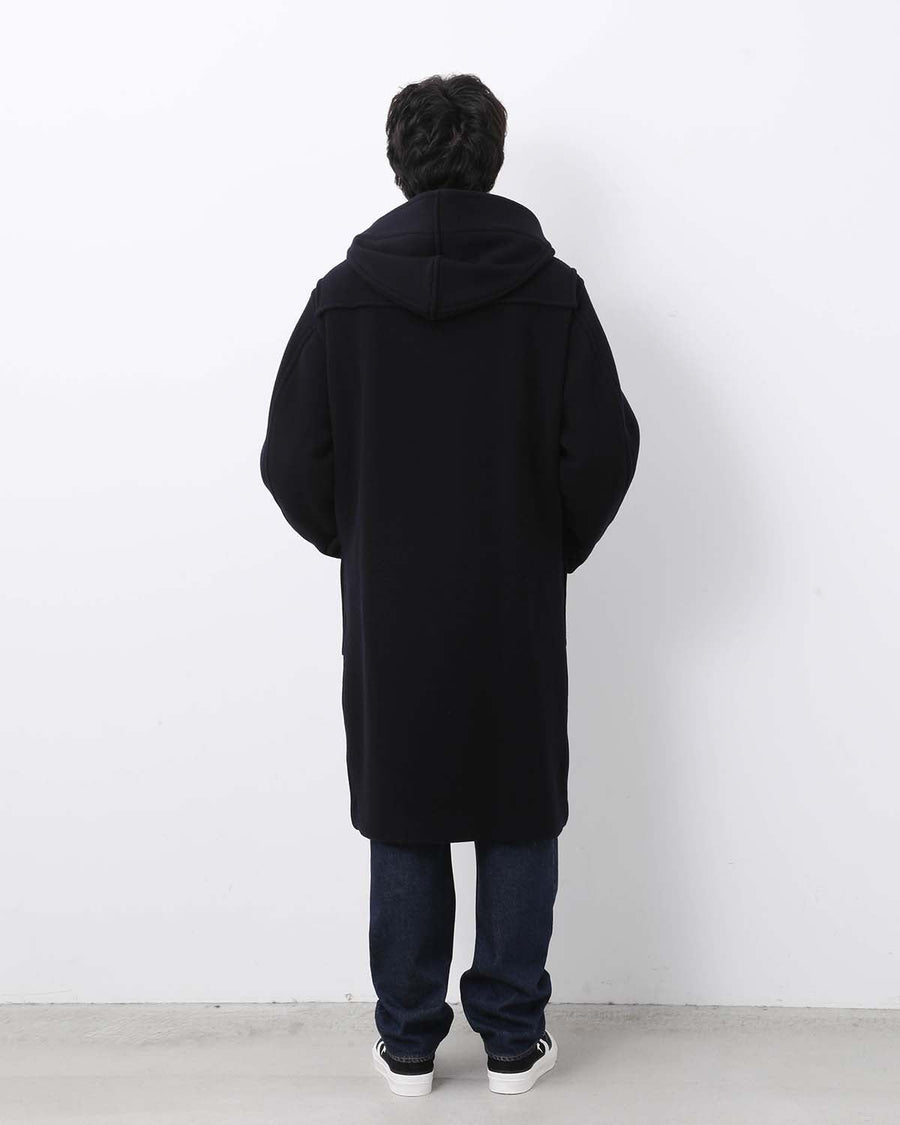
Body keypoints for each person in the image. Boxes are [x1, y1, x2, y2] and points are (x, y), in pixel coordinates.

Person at [260, 73, 640, 1097]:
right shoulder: (552, 292)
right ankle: (513, 1040)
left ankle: (408, 1044)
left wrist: (358, 539)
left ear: (399, 163)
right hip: (514, 597)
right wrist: (548, 543)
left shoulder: (344, 297)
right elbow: (605, 448)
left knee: (405, 803)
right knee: (518, 804)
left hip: (392, 605)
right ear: (493, 160)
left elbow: (290, 460)